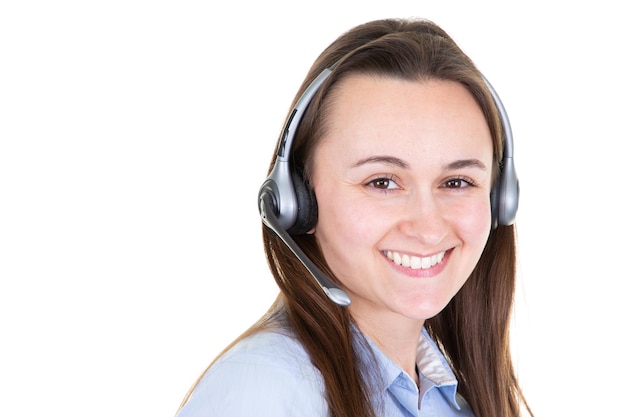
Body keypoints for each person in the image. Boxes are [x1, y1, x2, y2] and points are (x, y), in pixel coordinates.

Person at [176, 17, 533, 417]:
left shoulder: (446, 398)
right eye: (382, 182)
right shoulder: (265, 390)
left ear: (499, 198)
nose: (429, 227)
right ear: (297, 201)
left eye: (456, 182)